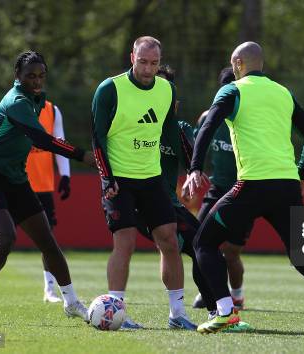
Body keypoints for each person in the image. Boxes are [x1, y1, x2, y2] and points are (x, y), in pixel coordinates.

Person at [184, 41, 304, 338]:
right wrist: (302, 175)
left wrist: (194, 168)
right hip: (287, 187)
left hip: (252, 185)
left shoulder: (232, 90)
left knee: (203, 244)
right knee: (303, 257)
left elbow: (206, 128)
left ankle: (226, 313)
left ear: (237, 63)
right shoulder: (284, 93)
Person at [0, 51, 95, 324]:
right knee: (6, 237)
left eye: (41, 75)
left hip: (16, 179)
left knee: (48, 243)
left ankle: (72, 302)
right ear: (18, 76)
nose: (37, 81)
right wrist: (82, 155)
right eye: (30, 76)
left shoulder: (36, 100)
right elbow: (42, 139)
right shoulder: (15, 101)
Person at [91, 37, 192, 330]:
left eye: (154, 63)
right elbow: (98, 137)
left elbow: (171, 131)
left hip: (152, 178)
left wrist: (193, 167)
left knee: (170, 240)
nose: (148, 69)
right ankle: (115, 311)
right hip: (119, 179)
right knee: (126, 242)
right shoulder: (109, 89)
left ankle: (177, 313)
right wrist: (107, 177)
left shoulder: (166, 90)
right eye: (143, 62)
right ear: (132, 56)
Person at [0, 100, 72, 303]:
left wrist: (65, 175)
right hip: (15, 184)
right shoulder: (12, 107)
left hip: (42, 186)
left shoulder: (52, 110)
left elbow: (59, 141)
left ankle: (49, 289)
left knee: (46, 238)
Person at [191, 67, 250, 311]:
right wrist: (191, 174)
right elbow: (197, 147)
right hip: (217, 189)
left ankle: (236, 294)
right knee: (200, 239)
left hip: (244, 190)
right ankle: (209, 292)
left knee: (231, 251)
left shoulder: (248, 119)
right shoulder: (208, 118)